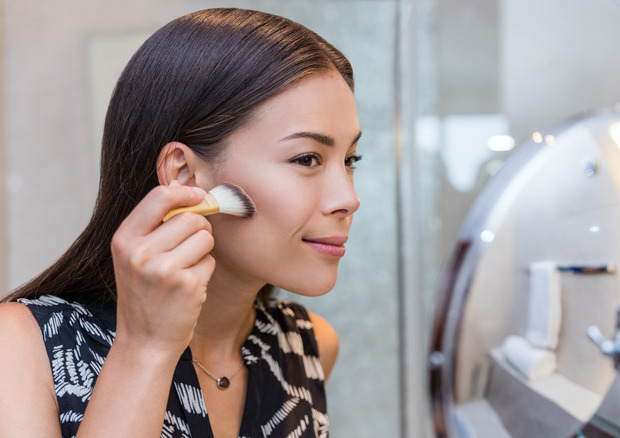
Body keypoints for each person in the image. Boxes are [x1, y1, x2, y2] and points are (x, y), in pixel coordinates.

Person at [0, 7, 361, 438]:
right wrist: (146, 349)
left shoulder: (307, 345)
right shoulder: (21, 348)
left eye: (350, 160)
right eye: (306, 159)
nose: (349, 199)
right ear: (184, 174)